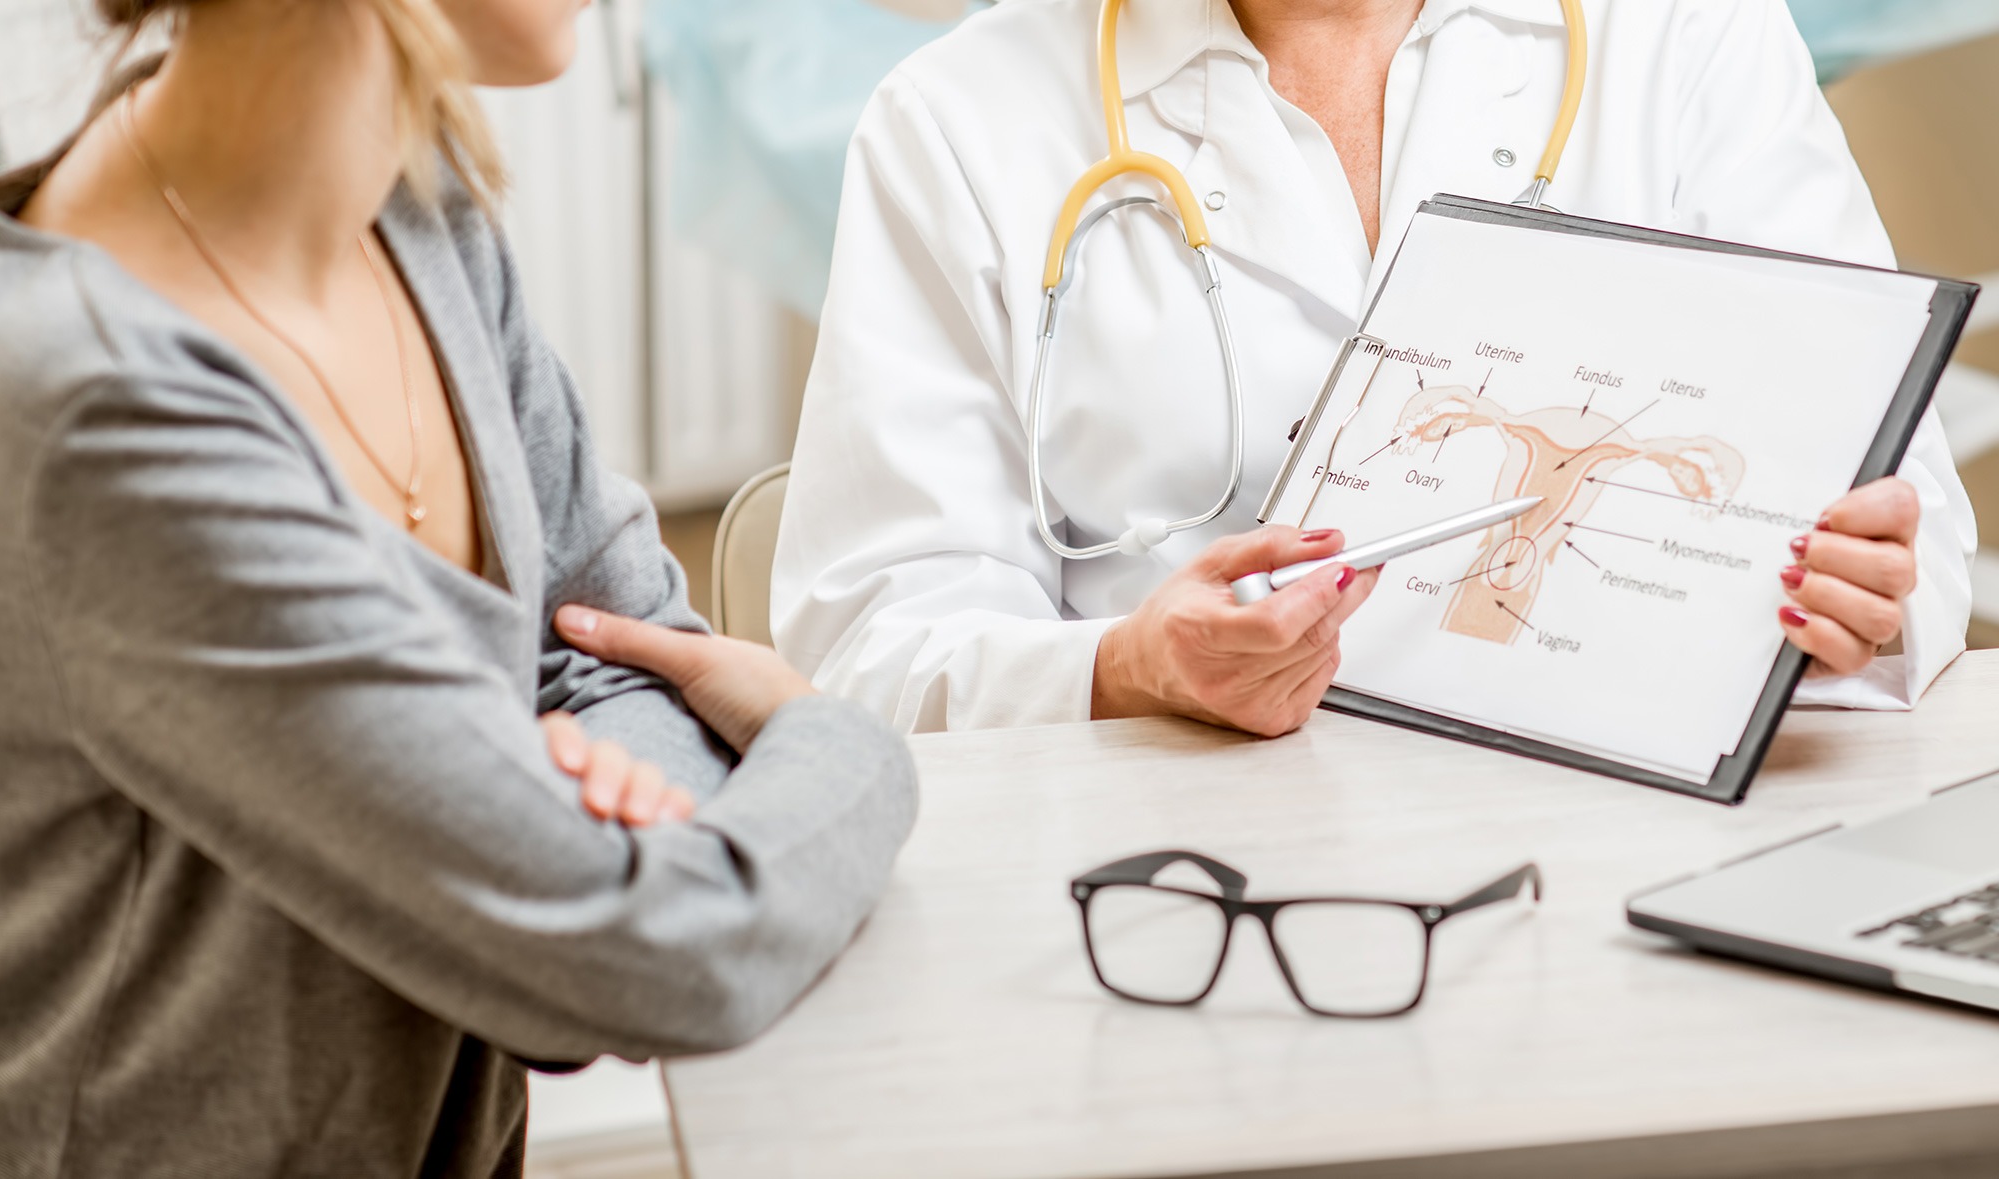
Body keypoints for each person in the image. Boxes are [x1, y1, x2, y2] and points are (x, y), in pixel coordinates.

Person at [0, 0, 915, 1173]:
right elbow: (651, 957)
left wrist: (561, 860)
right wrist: (829, 732)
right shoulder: (107, 425)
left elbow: (627, 646)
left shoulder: (418, 211)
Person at [774, 0, 1977, 736]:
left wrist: (1865, 595)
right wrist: (1125, 668)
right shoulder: (958, 120)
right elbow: (868, 646)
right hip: (1179, 864)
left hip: (1624, 826)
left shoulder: (1687, 35)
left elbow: (1905, 519)